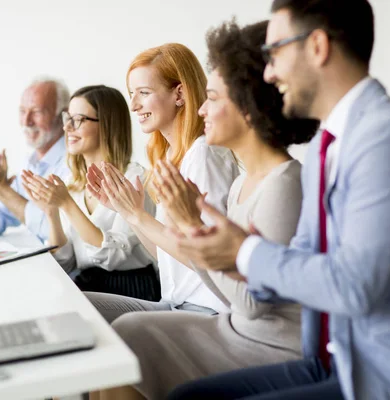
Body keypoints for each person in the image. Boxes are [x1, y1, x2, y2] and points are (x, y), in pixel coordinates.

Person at [168, 1, 390, 399]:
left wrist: (247, 253)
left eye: (275, 53)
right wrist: (234, 257)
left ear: (317, 47)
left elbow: (355, 287)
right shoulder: (326, 145)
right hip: (336, 362)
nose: (268, 72)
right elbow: (304, 254)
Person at [105, 20, 319, 400]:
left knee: (127, 334)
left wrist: (188, 226)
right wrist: (141, 215)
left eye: (214, 98)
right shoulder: (242, 183)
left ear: (248, 108)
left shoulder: (284, 184)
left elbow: (248, 303)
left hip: (261, 340)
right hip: (234, 325)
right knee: (122, 332)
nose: (202, 109)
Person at [83, 43, 240, 323]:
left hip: (208, 310)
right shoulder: (169, 156)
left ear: (179, 94)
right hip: (175, 303)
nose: (134, 105)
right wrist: (128, 212)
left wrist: (136, 214)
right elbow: (165, 256)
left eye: (143, 93)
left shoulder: (202, 154)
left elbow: (205, 258)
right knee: (78, 304)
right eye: (132, 95)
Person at [21, 85, 160, 301]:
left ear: (106, 124)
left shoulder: (135, 179)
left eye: (78, 119)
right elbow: (65, 262)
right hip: (88, 284)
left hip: (132, 288)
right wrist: (52, 213)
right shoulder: (73, 184)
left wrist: (67, 205)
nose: (67, 128)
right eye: (67, 119)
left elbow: (112, 257)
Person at [0, 77, 70, 242]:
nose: (26, 121)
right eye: (22, 111)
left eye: (37, 111)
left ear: (62, 115)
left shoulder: (74, 161)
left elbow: (59, 229)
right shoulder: (31, 162)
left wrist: (0, 189)